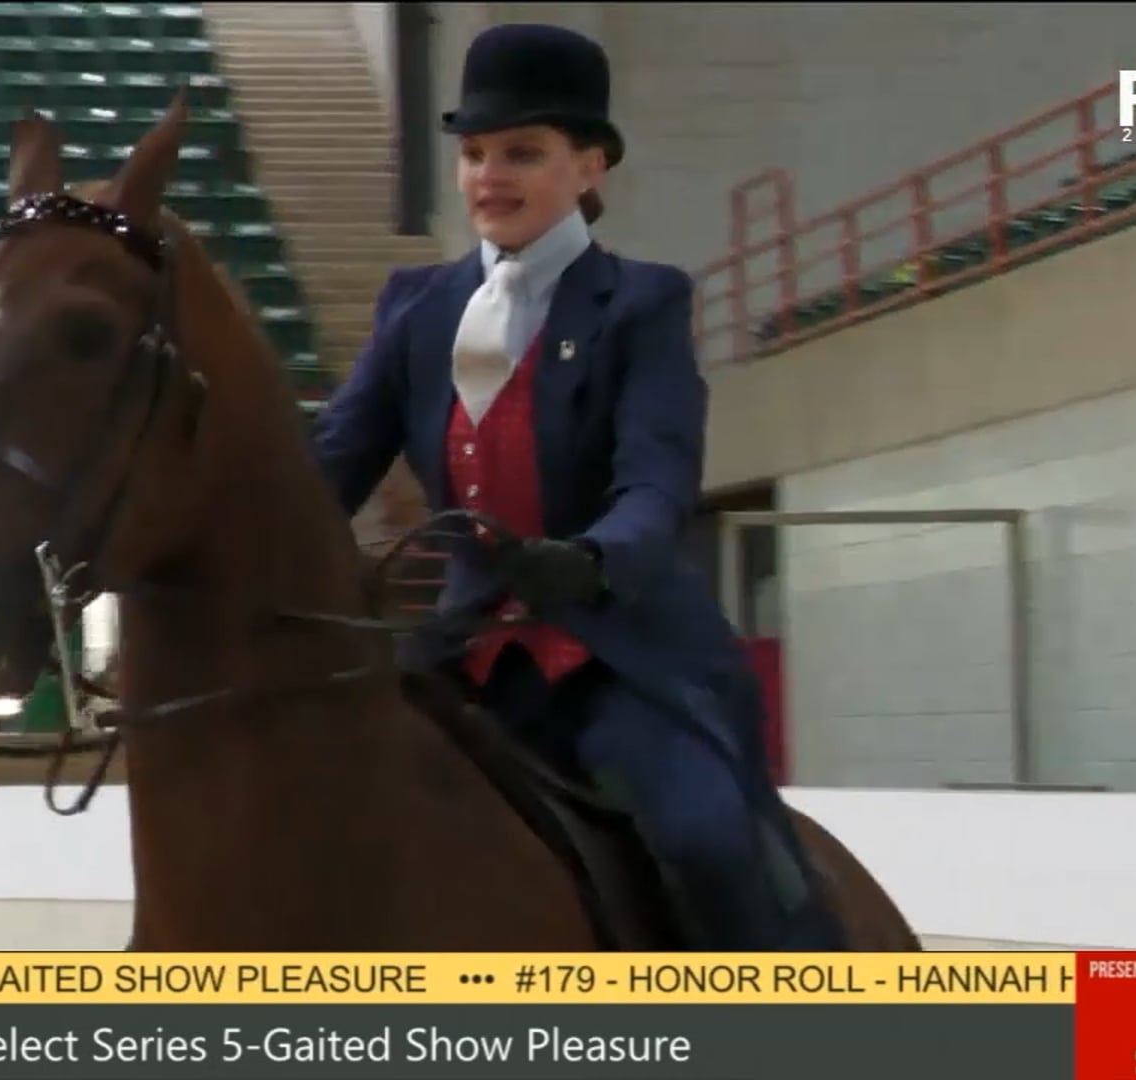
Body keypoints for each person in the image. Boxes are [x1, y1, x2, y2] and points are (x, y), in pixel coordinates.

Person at [312, 23, 844, 950]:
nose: (488, 175)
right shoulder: (416, 308)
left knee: (703, 837)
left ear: (590, 166)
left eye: (522, 152)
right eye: (474, 153)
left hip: (615, 654)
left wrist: (589, 560)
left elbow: (657, 481)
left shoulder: (642, 303)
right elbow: (330, 467)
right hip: (461, 654)